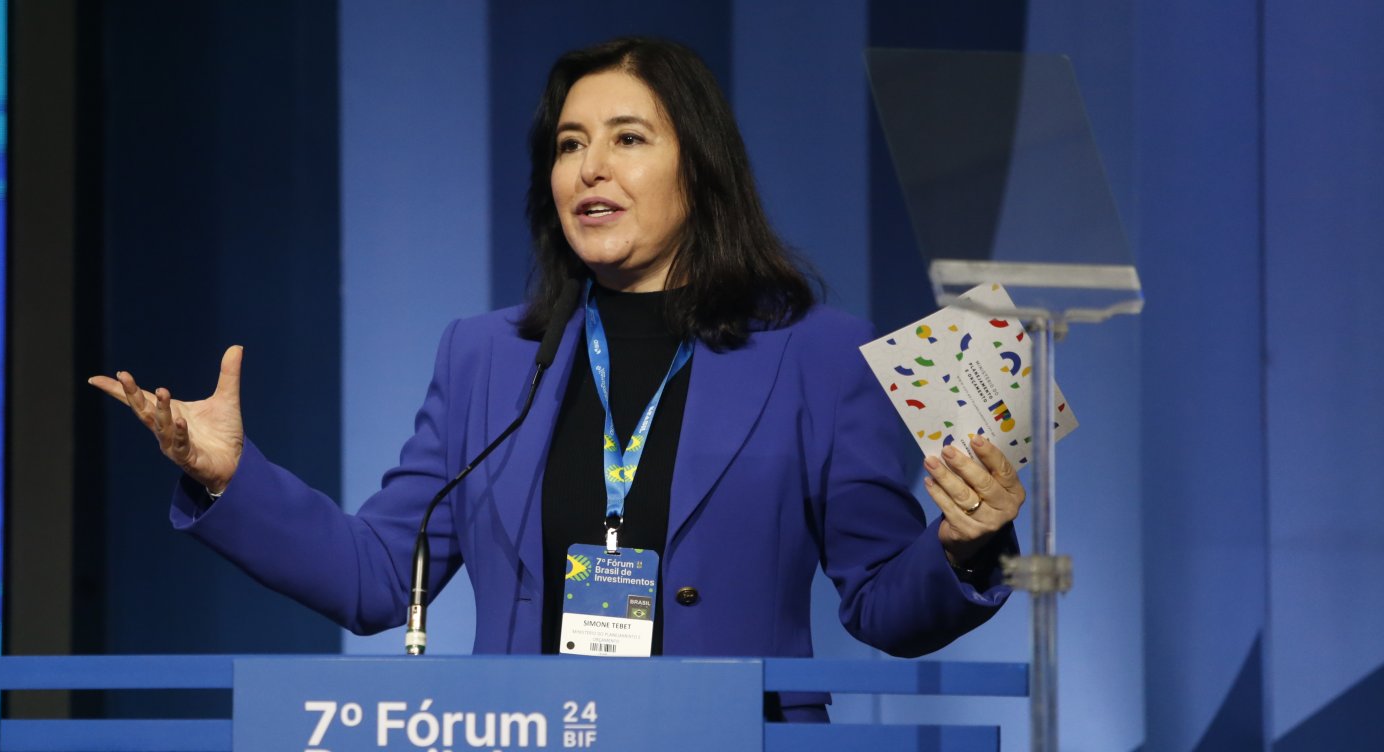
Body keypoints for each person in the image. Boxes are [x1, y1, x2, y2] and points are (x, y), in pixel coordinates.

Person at [89, 37, 1022, 722]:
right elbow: (378, 580)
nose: (590, 168)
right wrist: (231, 478)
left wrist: (964, 546)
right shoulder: (485, 357)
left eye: (628, 138)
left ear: (700, 170)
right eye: (570, 144)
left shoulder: (816, 354)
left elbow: (884, 604)